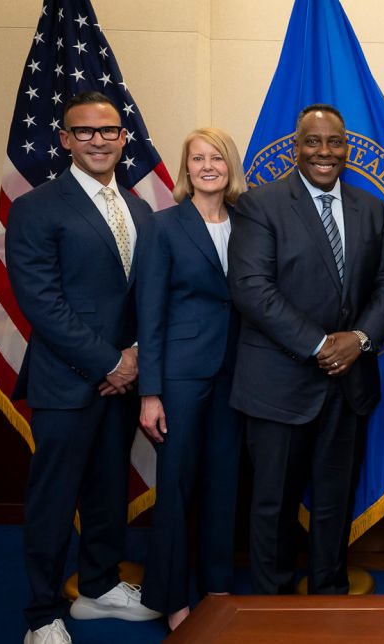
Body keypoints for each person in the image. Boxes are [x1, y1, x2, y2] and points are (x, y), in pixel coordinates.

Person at [227, 104, 384, 595]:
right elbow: (253, 289)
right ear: (295, 147)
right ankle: (273, 611)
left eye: (334, 142)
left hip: (349, 386)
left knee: (334, 501)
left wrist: (360, 340)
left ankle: (328, 597)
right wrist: (321, 344)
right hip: (279, 386)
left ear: (348, 148)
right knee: (274, 505)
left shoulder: (370, 207)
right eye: (313, 142)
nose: (325, 152)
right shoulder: (261, 205)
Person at [7, 91, 157, 644]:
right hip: (67, 381)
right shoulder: (37, 207)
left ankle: (100, 584)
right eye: (85, 131)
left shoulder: (140, 208)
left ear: (124, 138)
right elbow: (41, 301)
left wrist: (135, 355)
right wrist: (109, 361)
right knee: (55, 498)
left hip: (124, 380)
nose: (99, 140)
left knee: (107, 490)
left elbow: (147, 294)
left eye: (109, 131)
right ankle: (41, 614)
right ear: (65, 139)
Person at [136, 128, 247, 630]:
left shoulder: (248, 222)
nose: (208, 166)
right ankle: (174, 596)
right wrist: (150, 392)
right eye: (197, 158)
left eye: (216, 157)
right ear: (186, 168)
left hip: (237, 374)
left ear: (230, 165)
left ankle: (218, 587)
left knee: (224, 484)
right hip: (180, 376)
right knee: (177, 487)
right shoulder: (164, 226)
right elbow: (150, 312)